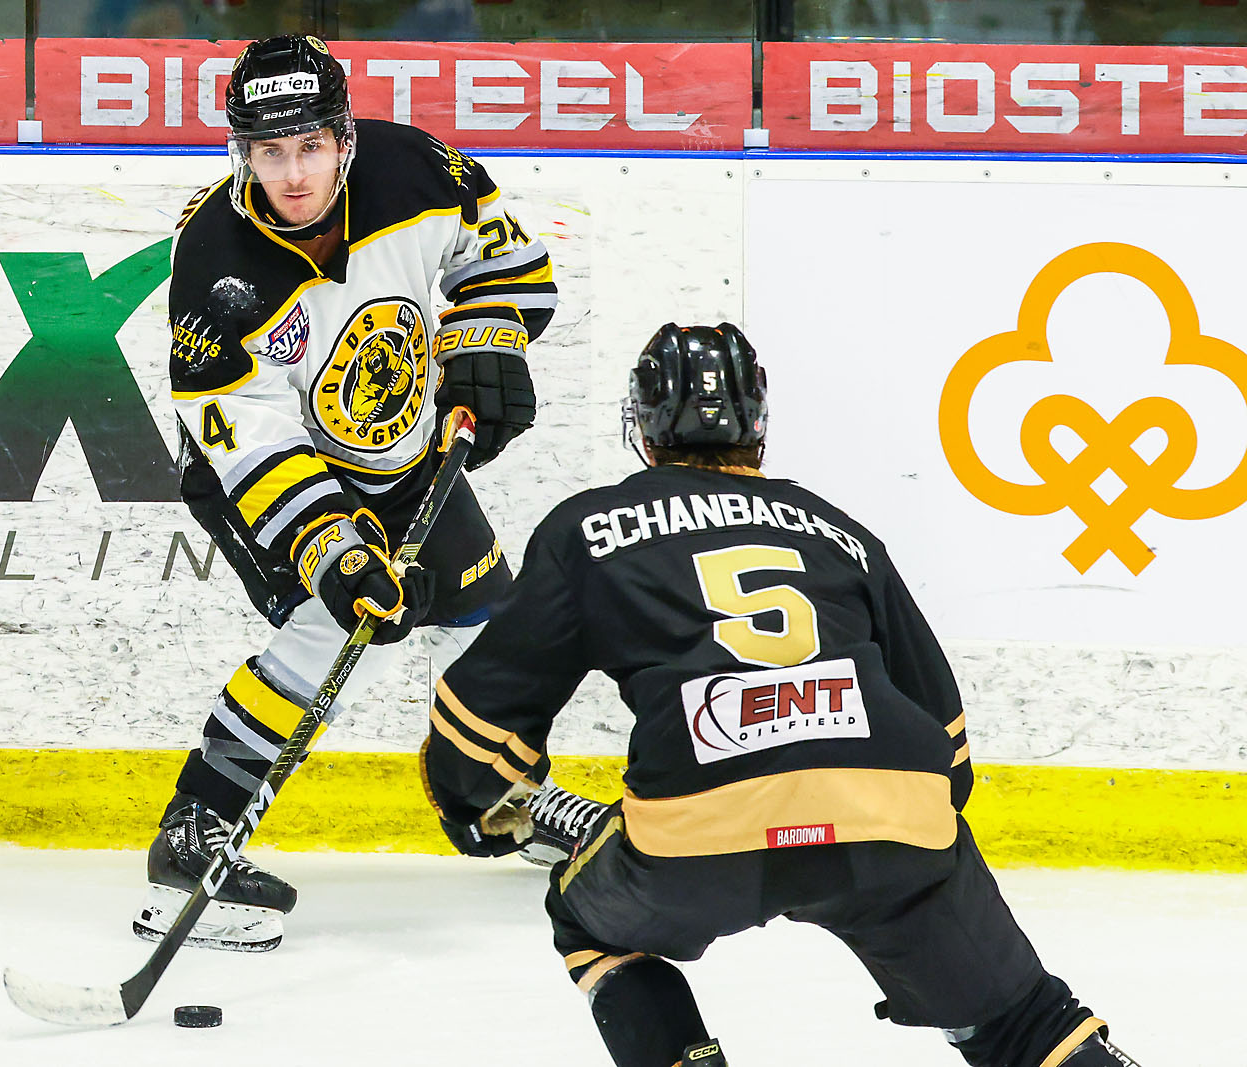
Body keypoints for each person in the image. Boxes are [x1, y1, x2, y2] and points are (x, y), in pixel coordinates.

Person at [420, 323, 1145, 1067]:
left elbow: (484, 718)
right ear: (758, 425)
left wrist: (474, 804)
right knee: (1022, 1017)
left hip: (701, 823)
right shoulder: (842, 532)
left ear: (642, 423)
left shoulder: (590, 527)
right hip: (890, 809)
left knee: (589, 922)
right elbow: (947, 746)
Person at [141, 33, 604, 952]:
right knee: (336, 633)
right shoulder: (215, 269)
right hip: (274, 478)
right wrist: (335, 551)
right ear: (242, 151)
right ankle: (193, 835)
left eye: (310, 146)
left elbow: (508, 265)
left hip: (403, 452)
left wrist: (485, 337)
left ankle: (500, 798)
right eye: (270, 152)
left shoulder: (416, 169)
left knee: (490, 625)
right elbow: (251, 443)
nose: (293, 174)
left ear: (345, 138)